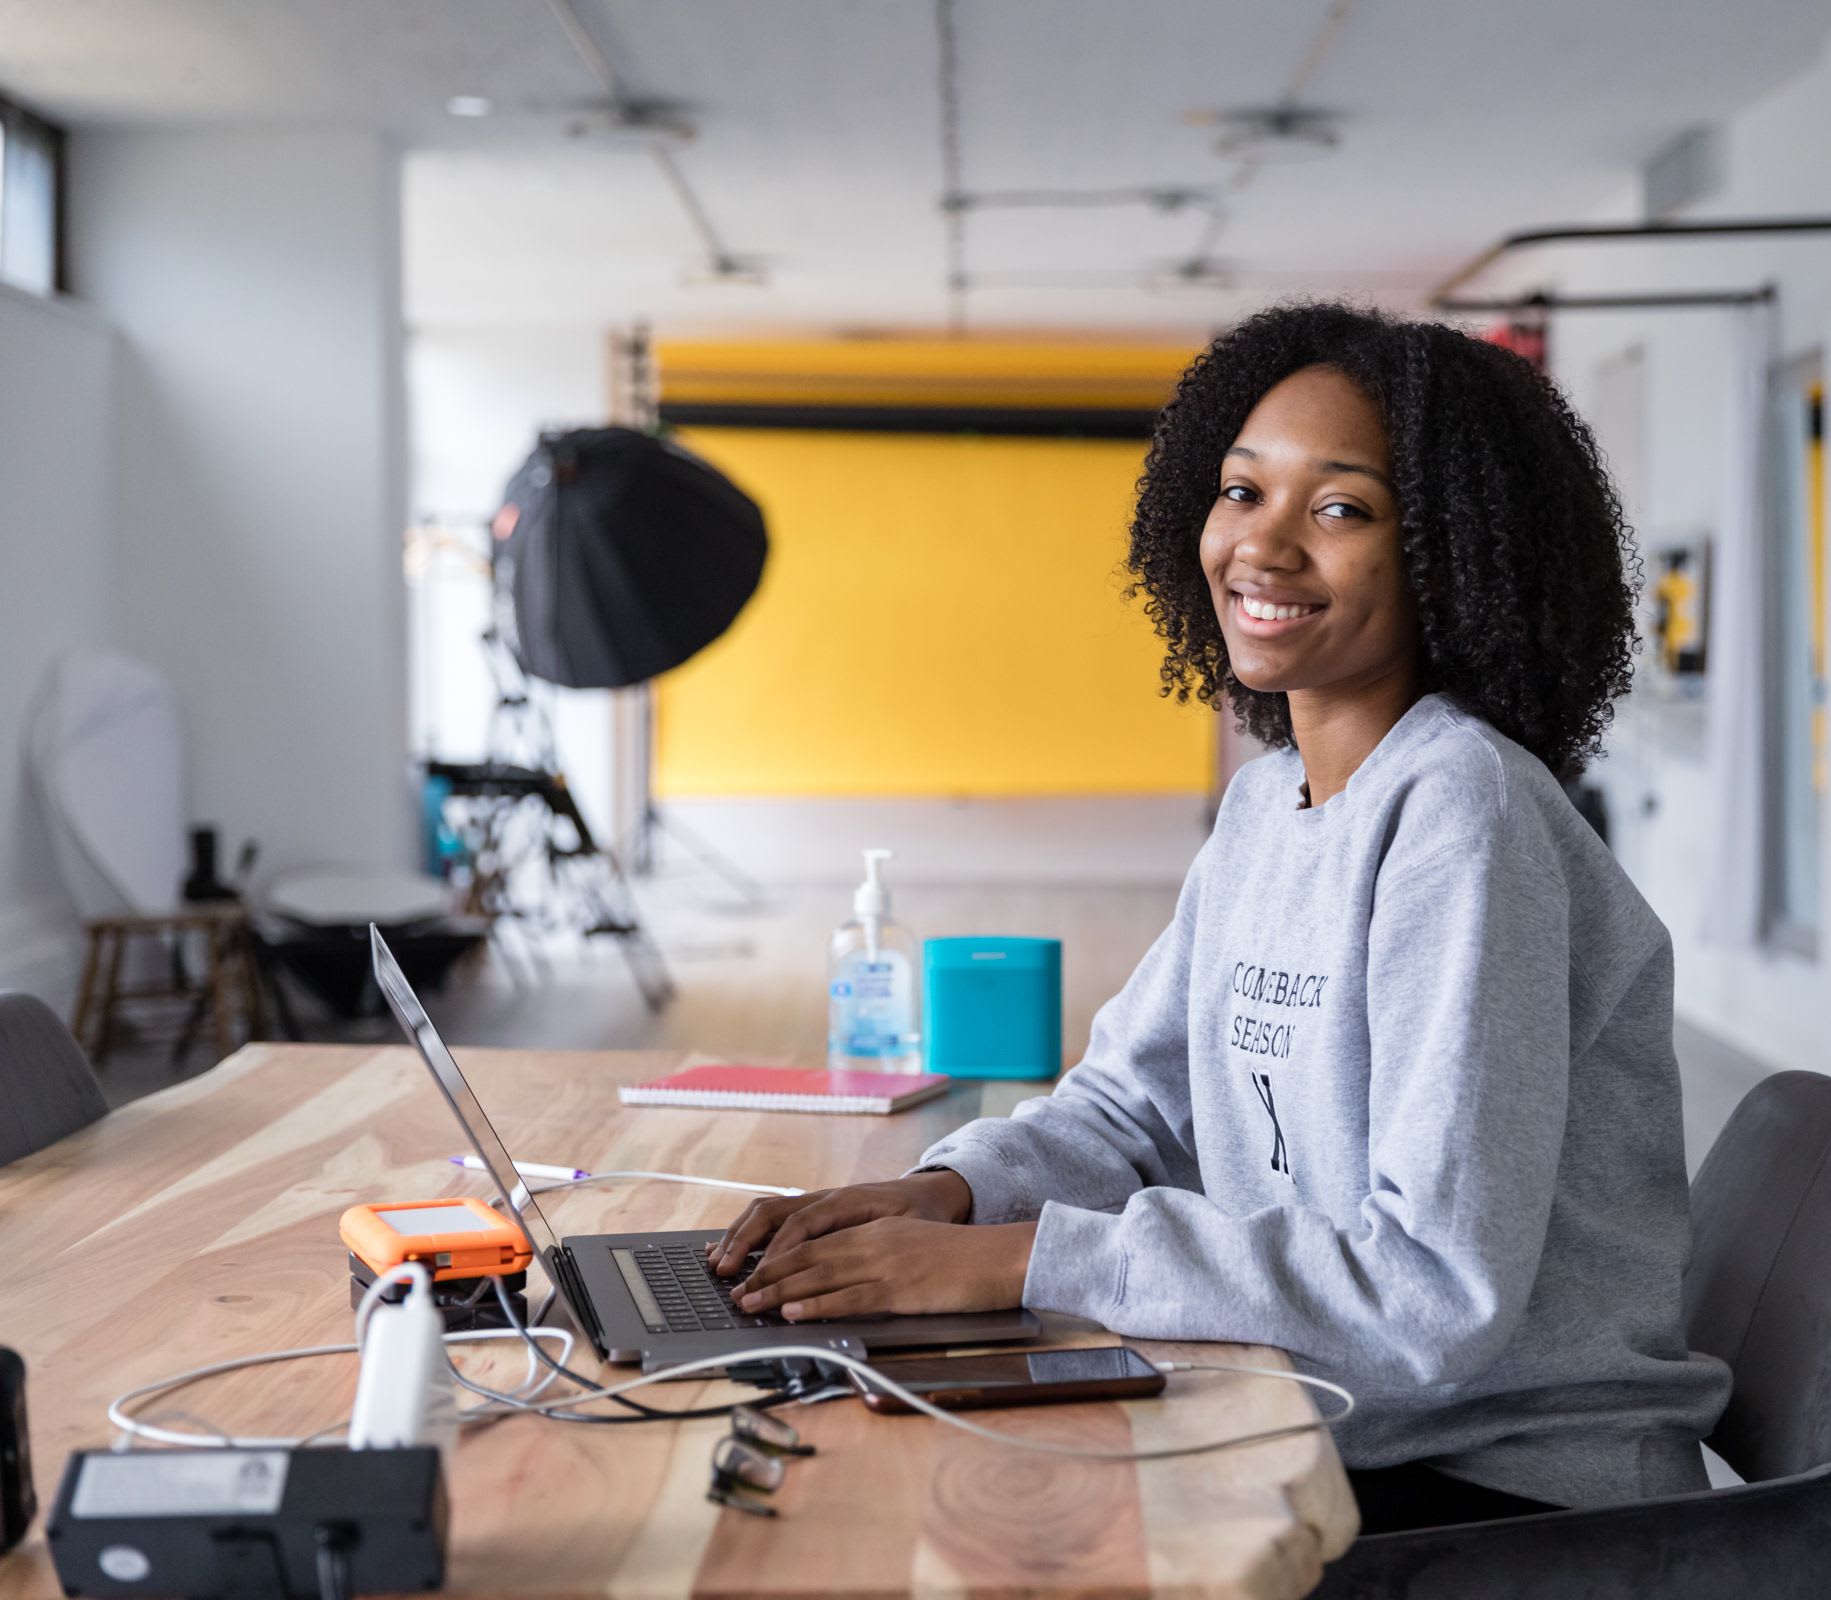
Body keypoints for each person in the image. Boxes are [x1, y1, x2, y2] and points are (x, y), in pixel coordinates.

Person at [709, 301, 1730, 1532]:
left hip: (1500, 1497)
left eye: (1341, 508)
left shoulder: (1467, 814)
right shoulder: (1267, 807)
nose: (1265, 546)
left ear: (1453, 555)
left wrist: (1016, 1261)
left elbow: (1432, 1295)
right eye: (1243, 492)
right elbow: (1130, 1102)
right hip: (1324, 1416)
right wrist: (949, 1197)